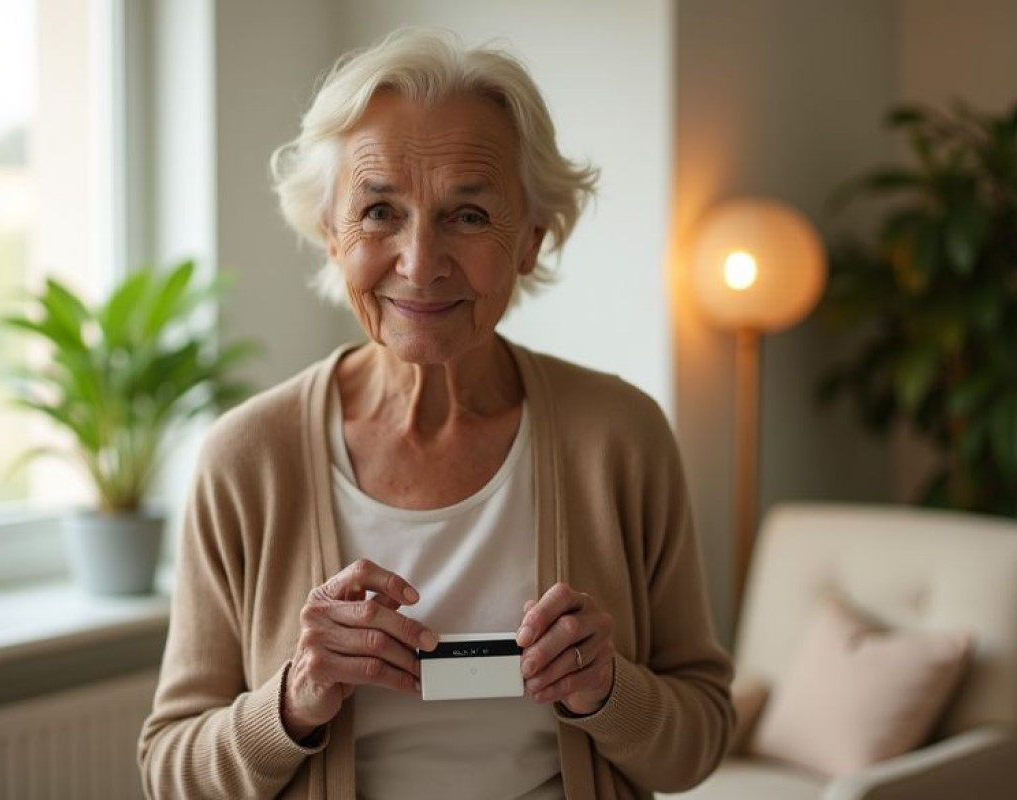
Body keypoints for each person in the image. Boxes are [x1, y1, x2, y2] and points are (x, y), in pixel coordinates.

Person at [138, 28, 733, 800]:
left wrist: (608, 691)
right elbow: (170, 769)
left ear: (530, 241)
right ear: (331, 237)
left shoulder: (621, 436)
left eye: (470, 215)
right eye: (379, 210)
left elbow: (699, 743)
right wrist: (293, 700)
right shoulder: (247, 456)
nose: (420, 264)